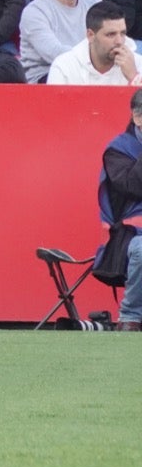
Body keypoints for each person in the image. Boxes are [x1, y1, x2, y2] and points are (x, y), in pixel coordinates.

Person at [97, 87, 142, 329]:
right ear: (138, 118)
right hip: (128, 234)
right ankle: (131, 317)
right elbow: (133, 187)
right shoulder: (118, 151)